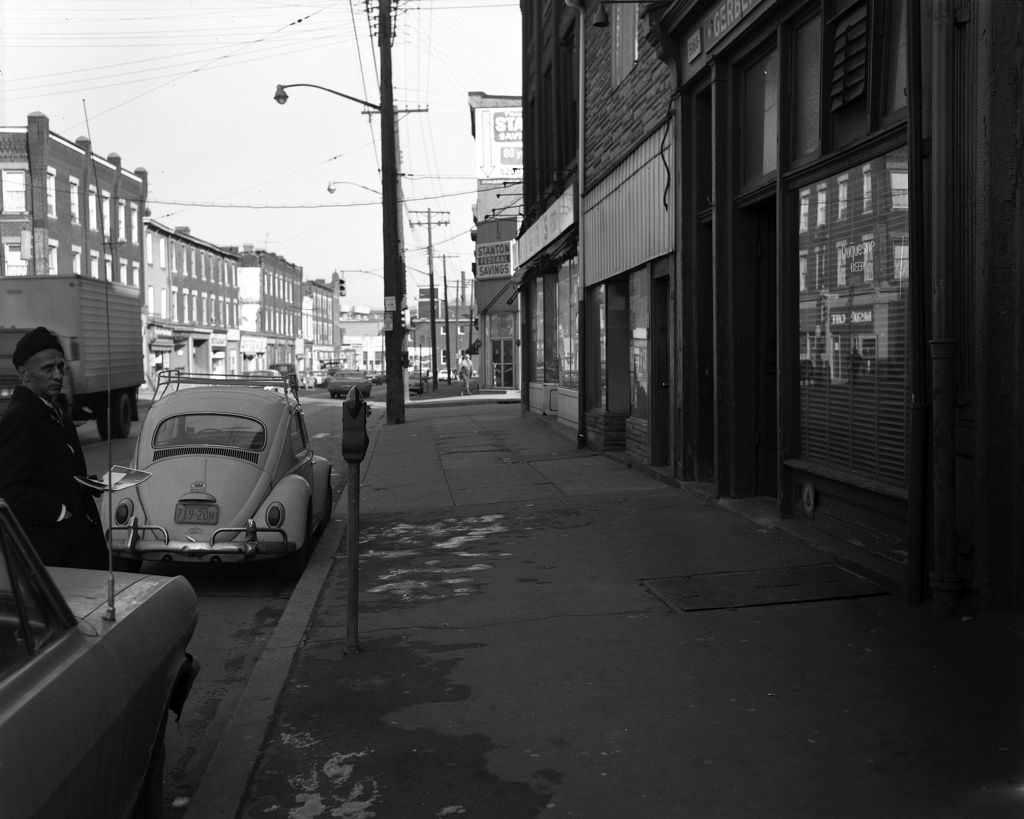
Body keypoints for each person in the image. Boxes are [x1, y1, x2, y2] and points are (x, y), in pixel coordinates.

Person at [0, 326, 107, 568]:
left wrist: (84, 483)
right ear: (23, 373)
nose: (58, 375)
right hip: (53, 552)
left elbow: (51, 472)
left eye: (61, 367)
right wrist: (59, 512)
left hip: (78, 543)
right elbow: (10, 488)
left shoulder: (55, 413)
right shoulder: (20, 418)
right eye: (48, 369)